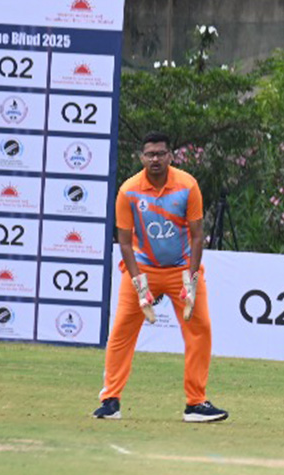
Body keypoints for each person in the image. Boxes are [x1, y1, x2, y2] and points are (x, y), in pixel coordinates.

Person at [92, 132, 228, 423]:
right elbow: (125, 243)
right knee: (121, 333)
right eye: (150, 154)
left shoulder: (187, 186)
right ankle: (110, 400)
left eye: (160, 154)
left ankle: (196, 403)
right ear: (142, 158)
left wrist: (191, 278)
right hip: (143, 268)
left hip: (181, 269)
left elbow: (197, 236)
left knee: (200, 329)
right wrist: (139, 283)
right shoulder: (129, 191)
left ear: (170, 156)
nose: (155, 159)